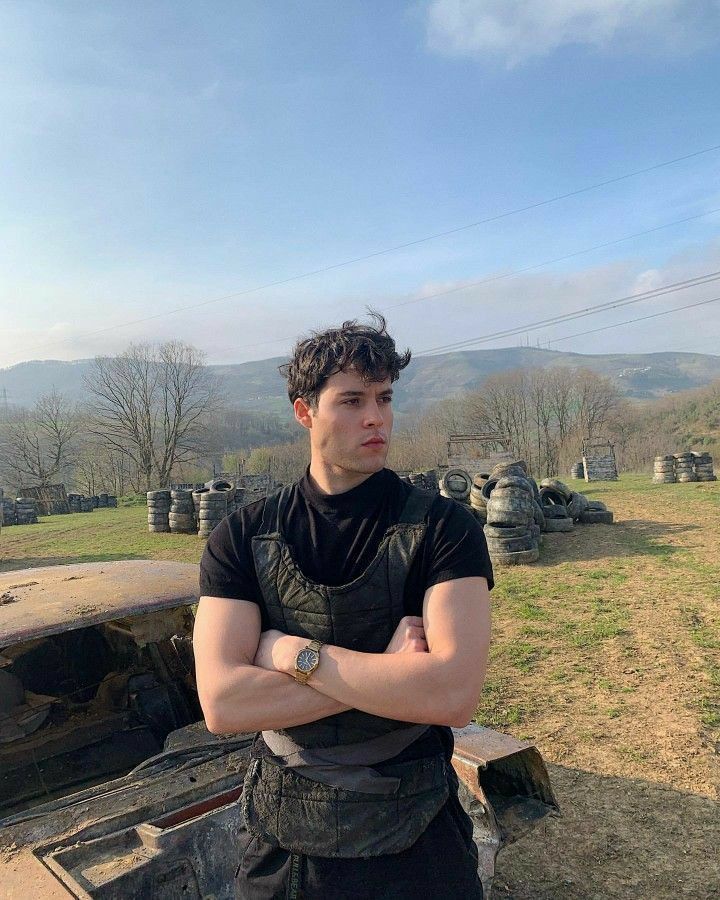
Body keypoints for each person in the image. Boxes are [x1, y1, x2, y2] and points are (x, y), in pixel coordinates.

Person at [194, 312, 492, 899]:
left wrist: (292, 652)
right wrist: (386, 669)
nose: (376, 417)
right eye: (351, 400)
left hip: (417, 840)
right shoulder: (243, 536)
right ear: (305, 412)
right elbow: (223, 704)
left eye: (384, 398)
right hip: (285, 847)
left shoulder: (443, 528)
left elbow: (453, 694)